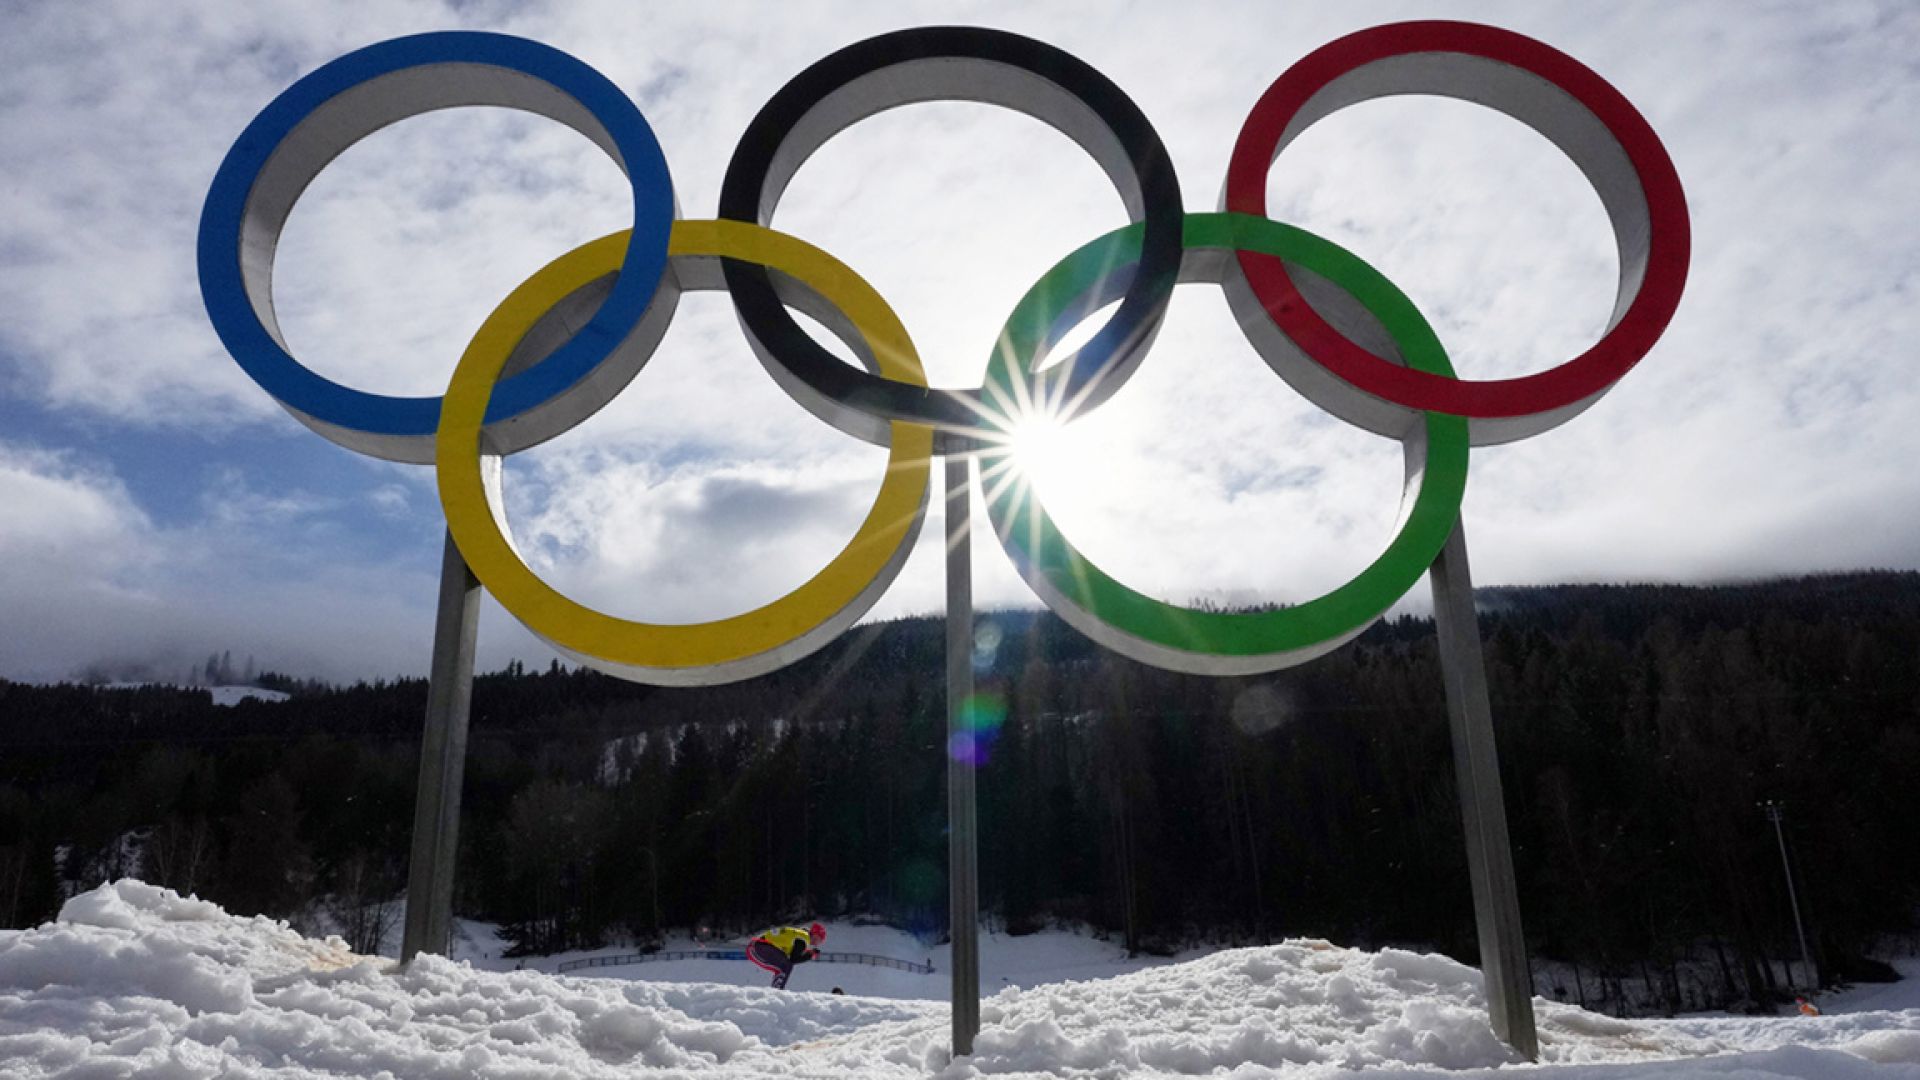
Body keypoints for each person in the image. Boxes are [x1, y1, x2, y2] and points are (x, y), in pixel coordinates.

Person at [747, 922, 826, 990]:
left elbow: (793, 954)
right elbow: (793, 959)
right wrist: (810, 955)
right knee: (786, 966)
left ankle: (776, 990)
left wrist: (808, 953)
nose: (817, 944)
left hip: (757, 945)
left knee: (784, 966)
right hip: (758, 947)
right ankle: (777, 991)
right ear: (815, 935)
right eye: (819, 940)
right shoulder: (803, 938)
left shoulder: (800, 935)